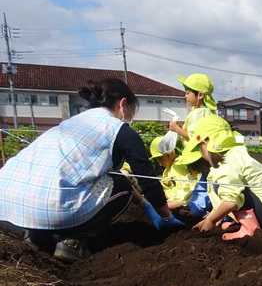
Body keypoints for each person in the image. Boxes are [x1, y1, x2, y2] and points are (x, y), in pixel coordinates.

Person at [0, 78, 183, 262]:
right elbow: (147, 179)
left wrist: (145, 206)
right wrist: (166, 217)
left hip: (9, 200)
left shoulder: (71, 123)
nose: (129, 116)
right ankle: (73, 243)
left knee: (102, 183)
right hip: (52, 208)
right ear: (123, 104)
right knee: (123, 189)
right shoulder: (120, 131)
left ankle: (37, 237)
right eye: (131, 110)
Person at [187, 114, 262, 239]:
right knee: (225, 188)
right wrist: (208, 220)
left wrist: (211, 221)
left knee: (229, 190)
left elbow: (231, 201)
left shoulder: (228, 162)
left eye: (199, 148)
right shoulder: (232, 154)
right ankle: (245, 222)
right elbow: (223, 201)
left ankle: (249, 228)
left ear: (205, 143)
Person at [148, 135, 198, 213]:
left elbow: (189, 187)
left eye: (161, 158)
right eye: (157, 160)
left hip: (188, 204)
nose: (160, 162)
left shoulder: (179, 164)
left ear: (172, 152)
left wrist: (179, 202)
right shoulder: (167, 171)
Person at [168, 73, 216, 141]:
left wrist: (177, 129)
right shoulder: (209, 111)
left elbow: (194, 138)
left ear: (200, 95)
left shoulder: (197, 113)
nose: (186, 96)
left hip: (195, 148)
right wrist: (180, 127)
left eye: (188, 93)